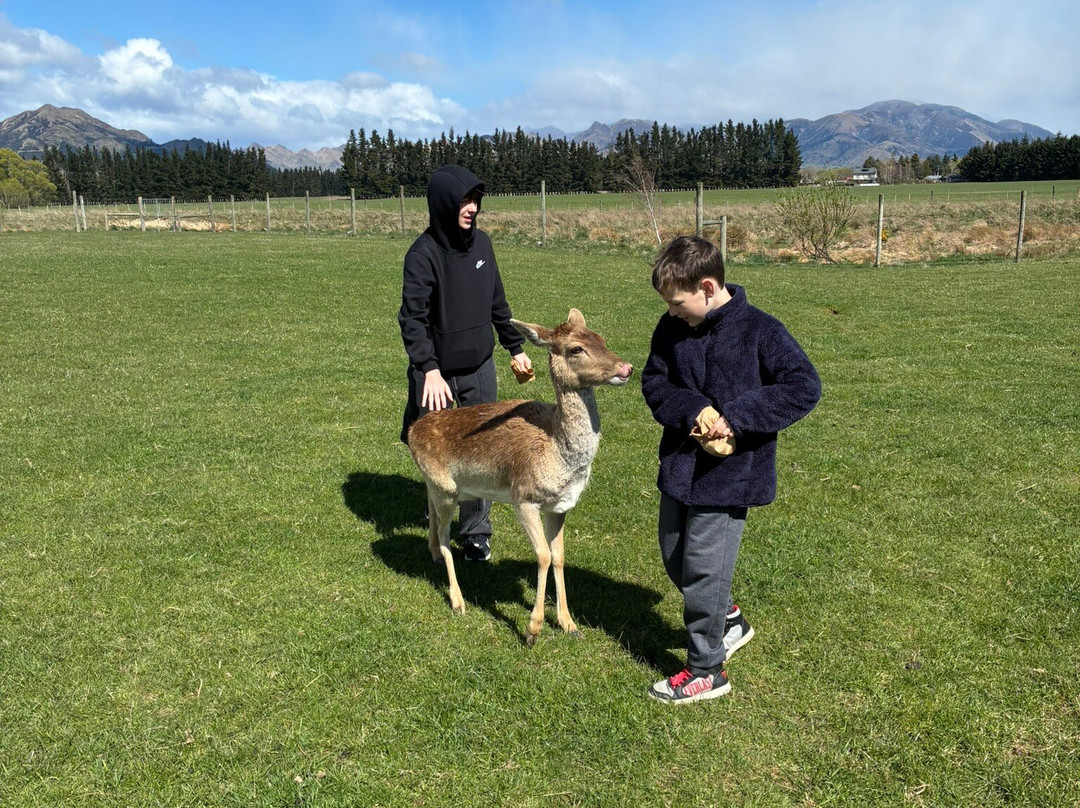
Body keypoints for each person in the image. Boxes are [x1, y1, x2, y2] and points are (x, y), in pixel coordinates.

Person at [641, 235, 821, 703]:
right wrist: (693, 408)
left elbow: (803, 386)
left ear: (706, 286)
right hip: (681, 467)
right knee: (674, 555)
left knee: (703, 569)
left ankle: (706, 669)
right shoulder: (671, 329)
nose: (672, 311)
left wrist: (736, 419)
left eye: (678, 302)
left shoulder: (761, 330)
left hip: (731, 475)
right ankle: (728, 619)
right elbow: (655, 382)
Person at [399, 165, 533, 562]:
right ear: (442, 204)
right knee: (440, 451)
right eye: (463, 200)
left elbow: (498, 304)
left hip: (479, 367)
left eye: (475, 199)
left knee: (482, 451)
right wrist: (429, 369)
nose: (472, 207)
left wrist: (516, 348)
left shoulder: (484, 246)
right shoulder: (422, 255)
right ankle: (438, 519)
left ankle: (476, 531)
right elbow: (413, 319)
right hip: (435, 373)